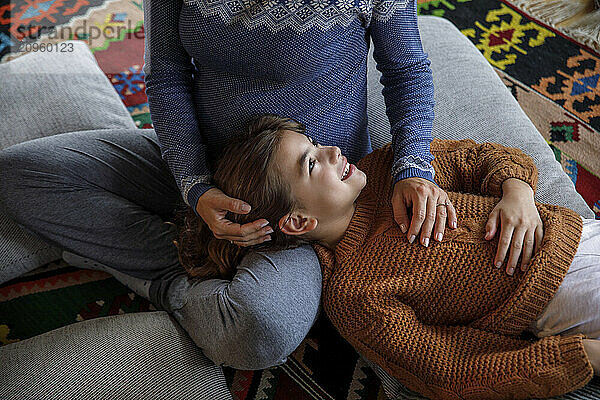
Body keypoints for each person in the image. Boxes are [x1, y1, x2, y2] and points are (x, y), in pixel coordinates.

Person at [172, 114, 600, 399]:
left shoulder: (388, 167)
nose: (332, 152)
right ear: (298, 222)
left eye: (315, 144)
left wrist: (517, 194)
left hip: (580, 230)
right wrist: (579, 356)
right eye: (310, 164)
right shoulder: (355, 298)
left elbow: (482, 157)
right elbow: (447, 367)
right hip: (560, 295)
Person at [139, 0, 457, 367]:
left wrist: (413, 167)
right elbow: (165, 76)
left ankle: (173, 281)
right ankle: (193, 249)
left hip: (306, 211)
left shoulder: (323, 191)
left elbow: (407, 70)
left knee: (260, 326)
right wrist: (195, 187)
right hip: (199, 170)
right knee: (56, 174)